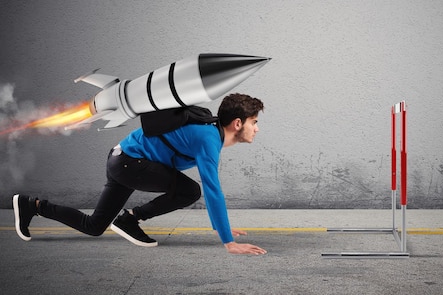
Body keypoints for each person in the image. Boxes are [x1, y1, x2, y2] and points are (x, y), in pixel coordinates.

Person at [12, 93, 267, 255]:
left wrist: (221, 228)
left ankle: (31, 205)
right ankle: (130, 219)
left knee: (93, 226)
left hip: (122, 160)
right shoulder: (208, 138)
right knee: (191, 190)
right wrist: (227, 241)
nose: (256, 128)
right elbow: (213, 189)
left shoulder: (210, 131)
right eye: (254, 122)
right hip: (129, 164)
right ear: (237, 123)